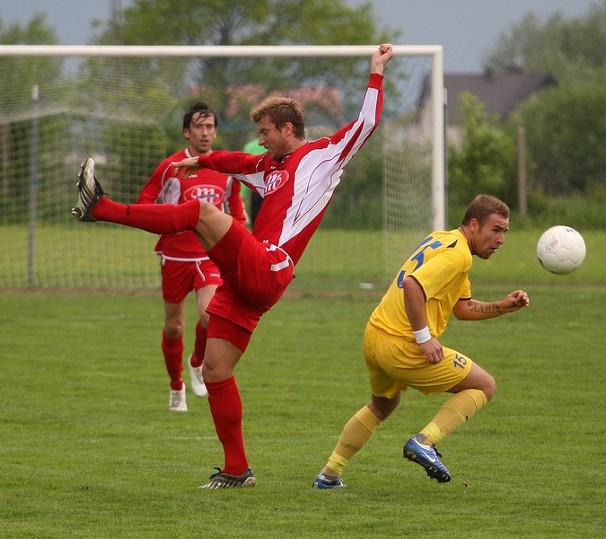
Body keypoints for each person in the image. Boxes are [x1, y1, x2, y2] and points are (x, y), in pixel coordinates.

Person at [70, 44, 394, 489]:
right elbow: (233, 161)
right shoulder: (267, 165)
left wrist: (375, 71)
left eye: (265, 131)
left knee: (199, 214)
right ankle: (238, 469)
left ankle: (100, 208)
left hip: (269, 265)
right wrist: (197, 159)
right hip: (251, 278)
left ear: (287, 127)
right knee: (218, 371)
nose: (259, 139)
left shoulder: (325, 155)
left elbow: (368, 121)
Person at [312, 194, 530, 489]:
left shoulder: (443, 239)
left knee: (382, 406)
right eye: (496, 230)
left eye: (505, 231)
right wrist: (424, 338)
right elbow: (413, 285)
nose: (501, 239)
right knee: (484, 385)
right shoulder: (458, 255)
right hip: (403, 346)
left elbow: (463, 308)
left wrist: (502, 306)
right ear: (475, 225)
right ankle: (424, 442)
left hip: (375, 336)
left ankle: (329, 475)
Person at [136, 101, 247, 412]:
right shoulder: (171, 167)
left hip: (209, 257)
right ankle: (176, 387)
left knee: (210, 316)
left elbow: (236, 214)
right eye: (199, 126)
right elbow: (145, 201)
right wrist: (166, 217)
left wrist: (237, 237)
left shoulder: (225, 170)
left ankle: (197, 361)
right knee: (174, 326)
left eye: (210, 126)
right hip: (174, 257)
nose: (205, 132)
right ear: (187, 133)